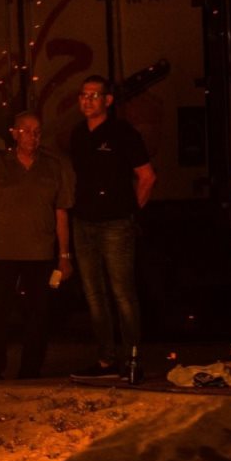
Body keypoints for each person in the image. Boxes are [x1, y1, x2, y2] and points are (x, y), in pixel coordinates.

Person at [0, 112, 74, 379]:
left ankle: (30, 369)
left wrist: (64, 256)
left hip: (40, 254)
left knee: (38, 316)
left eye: (37, 131)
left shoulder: (53, 167)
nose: (32, 136)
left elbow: (61, 212)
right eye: (26, 130)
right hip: (4, 253)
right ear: (14, 133)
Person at [68, 75, 156, 379]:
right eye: (83, 95)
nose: (87, 100)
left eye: (94, 95)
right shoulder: (78, 135)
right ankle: (106, 360)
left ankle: (132, 358)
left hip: (115, 225)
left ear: (108, 101)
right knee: (94, 294)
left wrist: (128, 211)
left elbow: (147, 177)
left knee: (122, 291)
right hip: (84, 223)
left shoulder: (122, 133)